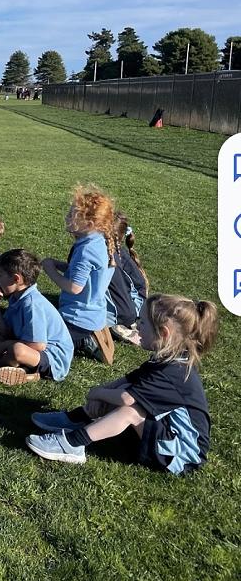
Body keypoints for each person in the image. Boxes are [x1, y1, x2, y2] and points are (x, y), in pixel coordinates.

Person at [25, 295, 216, 473]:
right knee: (122, 392)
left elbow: (126, 399)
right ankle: (75, 420)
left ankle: (73, 444)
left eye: (143, 322)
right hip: (166, 434)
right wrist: (101, 394)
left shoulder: (173, 372)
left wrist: (96, 393)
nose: (137, 326)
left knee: (130, 410)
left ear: (163, 333)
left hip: (183, 455)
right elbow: (126, 382)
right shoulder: (166, 360)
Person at [41, 185, 117, 364]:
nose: (66, 218)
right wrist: (59, 265)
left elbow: (75, 287)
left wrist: (51, 271)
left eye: (72, 215)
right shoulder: (99, 241)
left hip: (77, 318)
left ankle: (79, 343)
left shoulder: (86, 251)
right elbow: (85, 272)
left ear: (89, 224)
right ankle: (84, 339)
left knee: (39, 337)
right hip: (94, 313)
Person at [0, 249, 73, 386]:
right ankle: (20, 369)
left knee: (17, 350)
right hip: (26, 344)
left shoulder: (32, 304)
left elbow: (38, 345)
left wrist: (6, 344)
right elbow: (3, 332)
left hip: (50, 357)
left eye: (0, 275)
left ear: (16, 279)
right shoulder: (16, 297)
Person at [106, 211, 149, 345]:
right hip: (134, 305)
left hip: (132, 308)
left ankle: (121, 324)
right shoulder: (115, 253)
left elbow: (119, 292)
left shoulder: (111, 259)